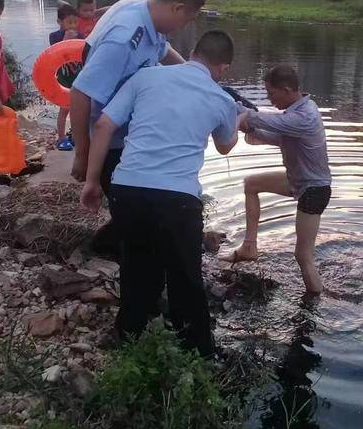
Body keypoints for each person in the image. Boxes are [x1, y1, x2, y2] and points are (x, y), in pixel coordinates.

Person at [80, 30, 242, 356]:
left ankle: (129, 340)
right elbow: (225, 146)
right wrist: (238, 118)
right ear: (223, 68)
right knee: (185, 278)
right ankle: (197, 354)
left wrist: (92, 181)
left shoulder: (146, 77)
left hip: (128, 189)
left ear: (192, 50)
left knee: (137, 267)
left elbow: (103, 126)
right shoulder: (221, 99)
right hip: (177, 199)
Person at [70, 0, 205, 253]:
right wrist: (82, 155)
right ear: (177, 8)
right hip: (108, 140)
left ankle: (116, 250)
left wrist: (197, 78)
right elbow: (80, 93)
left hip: (129, 133)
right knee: (135, 217)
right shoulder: (124, 37)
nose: (185, 26)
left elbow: (164, 52)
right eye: (188, 19)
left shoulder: (152, 21)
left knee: (143, 212)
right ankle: (108, 256)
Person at [221, 64, 331, 294]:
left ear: (288, 89)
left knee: (303, 256)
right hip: (298, 180)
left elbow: (266, 120)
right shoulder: (294, 113)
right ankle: (249, 247)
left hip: (314, 190)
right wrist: (248, 126)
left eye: (271, 94)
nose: (270, 100)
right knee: (251, 184)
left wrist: (243, 114)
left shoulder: (306, 116)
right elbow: (275, 135)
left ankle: (315, 300)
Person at [50, 3, 81, 150]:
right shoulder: (54, 36)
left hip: (77, 77)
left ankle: (74, 136)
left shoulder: (80, 36)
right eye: (69, 22)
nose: (73, 25)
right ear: (60, 22)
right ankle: (61, 138)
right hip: (64, 79)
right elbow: (54, 55)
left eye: (75, 22)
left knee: (77, 109)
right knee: (64, 109)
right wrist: (65, 39)